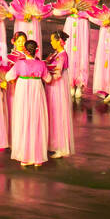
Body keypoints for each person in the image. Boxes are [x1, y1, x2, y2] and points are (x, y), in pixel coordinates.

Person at [6, 40, 51, 167]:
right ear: (36, 50)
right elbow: (48, 78)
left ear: (25, 50)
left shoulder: (20, 64)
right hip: (37, 90)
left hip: (23, 91)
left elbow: (9, 77)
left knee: (24, 119)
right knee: (36, 121)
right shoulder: (41, 64)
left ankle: (25, 156)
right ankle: (37, 157)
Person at [45, 31, 74, 159]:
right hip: (52, 87)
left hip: (58, 87)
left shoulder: (62, 56)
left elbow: (57, 74)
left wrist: (43, 74)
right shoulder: (56, 54)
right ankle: (53, 143)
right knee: (53, 114)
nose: (51, 42)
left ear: (59, 41)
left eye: (53, 40)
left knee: (59, 114)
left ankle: (61, 147)